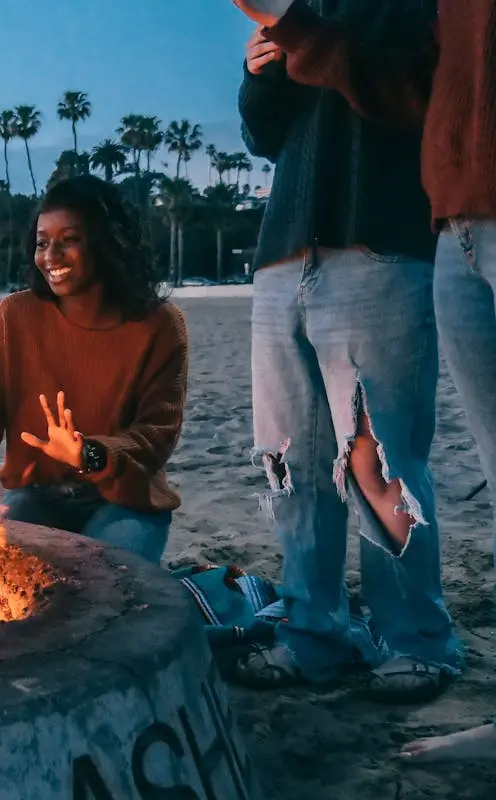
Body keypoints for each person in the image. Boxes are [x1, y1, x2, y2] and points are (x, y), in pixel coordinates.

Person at [231, 0, 496, 760]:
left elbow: (410, 93)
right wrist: (260, 73)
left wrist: (307, 35)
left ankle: (417, 636)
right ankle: (314, 630)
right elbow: (262, 134)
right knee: (291, 465)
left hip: (383, 243)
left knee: (381, 462)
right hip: (285, 251)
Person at [0, 174, 187, 565]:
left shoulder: (159, 324)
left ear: (108, 244)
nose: (50, 257)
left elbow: (157, 436)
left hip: (126, 500)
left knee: (101, 584)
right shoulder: (16, 315)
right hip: (35, 494)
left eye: (69, 240)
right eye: (42, 243)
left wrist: (87, 453)